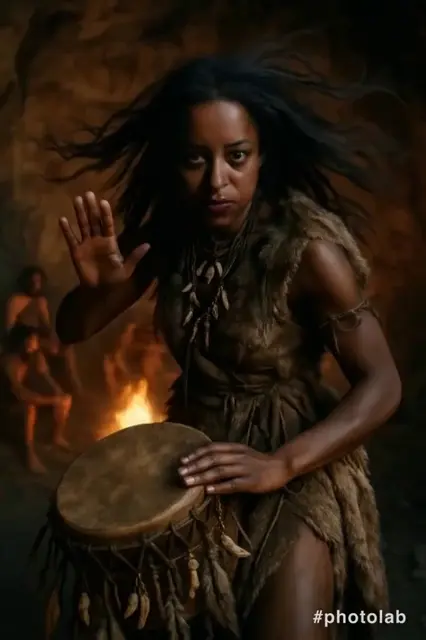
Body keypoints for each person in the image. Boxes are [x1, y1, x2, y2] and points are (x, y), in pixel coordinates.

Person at [53, 49, 401, 639]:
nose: (217, 181)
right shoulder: (172, 232)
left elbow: (384, 383)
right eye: (196, 159)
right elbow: (73, 328)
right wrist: (96, 291)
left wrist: (280, 464)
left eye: (236, 157)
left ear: (262, 157)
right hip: (195, 455)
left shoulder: (308, 250)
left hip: (293, 460)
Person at [0, 324, 72, 473]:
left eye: (34, 340)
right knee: (30, 408)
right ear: (21, 343)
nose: (34, 343)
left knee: (63, 398)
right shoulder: (10, 362)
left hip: (18, 399)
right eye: (30, 340)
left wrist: (59, 394)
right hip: (5, 406)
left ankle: (56, 437)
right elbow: (22, 395)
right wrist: (54, 400)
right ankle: (30, 456)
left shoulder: (34, 357)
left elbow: (46, 378)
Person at [5, 265, 84, 395]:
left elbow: (46, 326)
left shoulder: (41, 301)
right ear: (26, 281)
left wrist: (54, 337)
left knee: (67, 347)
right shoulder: (15, 301)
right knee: (39, 359)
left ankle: (76, 385)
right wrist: (27, 336)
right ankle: (58, 394)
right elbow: (10, 329)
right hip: (22, 340)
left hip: (39, 338)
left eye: (39, 281)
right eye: (33, 281)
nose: (36, 285)